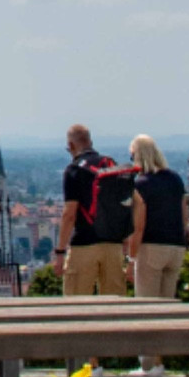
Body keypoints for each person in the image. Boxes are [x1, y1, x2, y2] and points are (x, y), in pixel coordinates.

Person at [55, 123, 129, 295]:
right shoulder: (111, 165)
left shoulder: (74, 170)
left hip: (84, 243)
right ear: (90, 142)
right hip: (113, 244)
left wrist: (60, 250)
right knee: (115, 305)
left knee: (76, 304)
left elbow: (69, 214)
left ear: (71, 146)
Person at [127, 135, 189, 301]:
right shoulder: (176, 179)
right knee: (168, 303)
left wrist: (131, 258)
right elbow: (184, 217)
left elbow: (139, 226)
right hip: (176, 247)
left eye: (132, 156)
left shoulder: (141, 184)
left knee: (146, 304)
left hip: (151, 247)